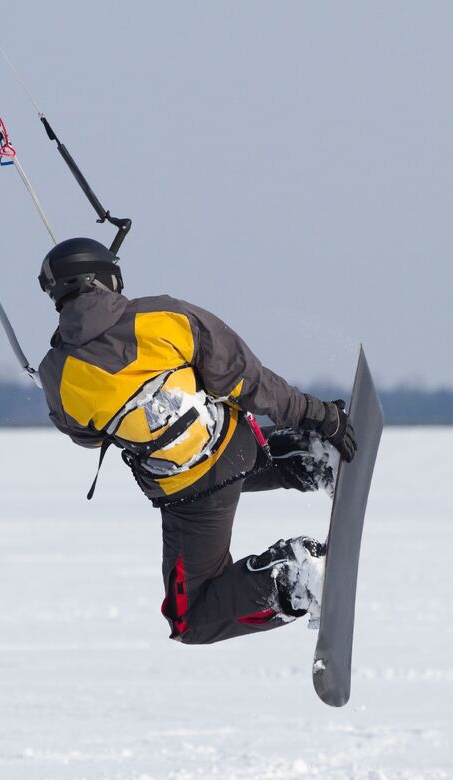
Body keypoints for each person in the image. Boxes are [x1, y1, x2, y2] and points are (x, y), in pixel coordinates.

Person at [36, 238, 357, 645]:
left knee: (191, 618)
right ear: (105, 279)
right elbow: (246, 377)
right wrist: (317, 415)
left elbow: (84, 436)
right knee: (229, 454)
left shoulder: (55, 375)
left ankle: (297, 578)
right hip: (237, 444)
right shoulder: (160, 316)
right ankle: (308, 454)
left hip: (192, 494)